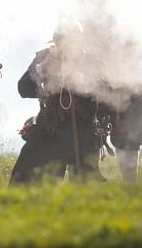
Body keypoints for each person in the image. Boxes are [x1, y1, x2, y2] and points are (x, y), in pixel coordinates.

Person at [9, 23, 107, 184]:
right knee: (24, 179)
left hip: (83, 130)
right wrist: (43, 68)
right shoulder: (45, 57)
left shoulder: (90, 61)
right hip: (50, 127)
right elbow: (23, 89)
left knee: (86, 186)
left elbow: (104, 90)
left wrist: (77, 78)